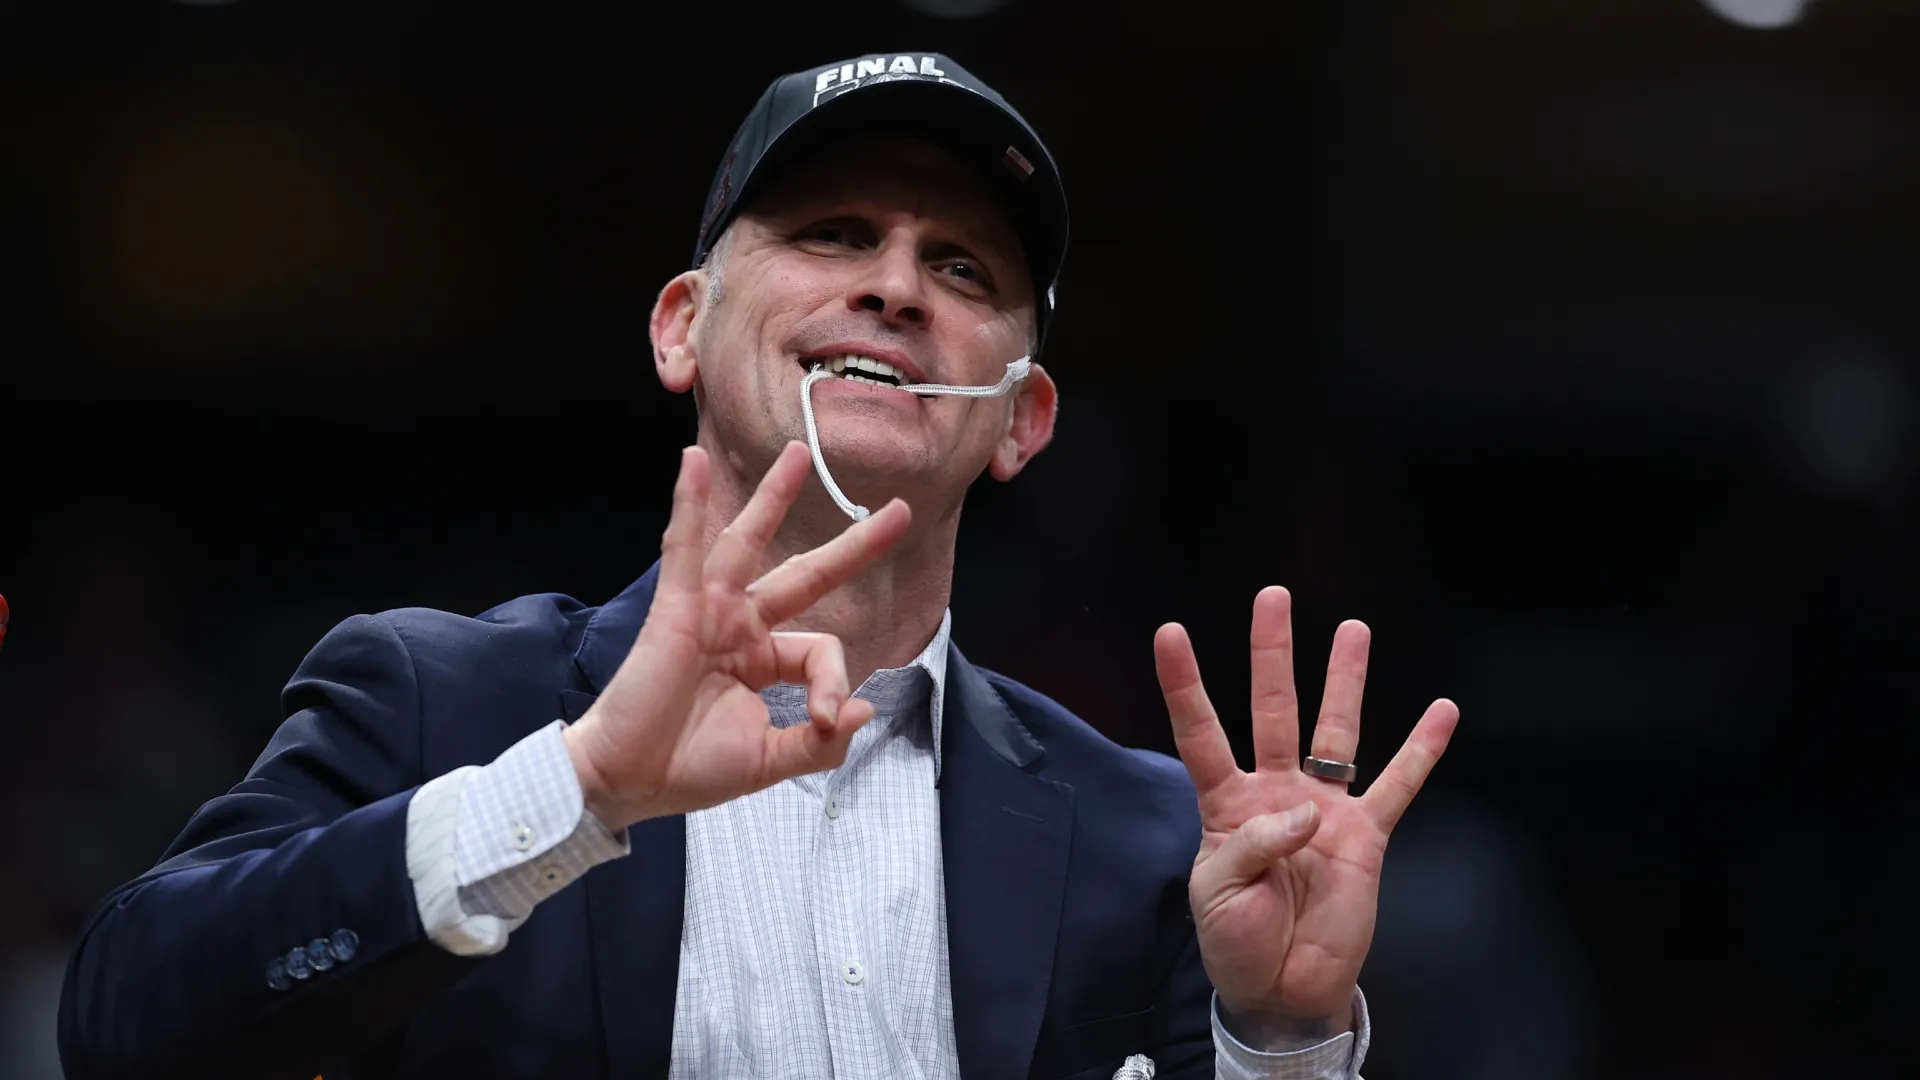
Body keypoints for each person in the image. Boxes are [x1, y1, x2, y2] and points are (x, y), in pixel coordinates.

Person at [56, 53, 1458, 1080]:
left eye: (963, 269)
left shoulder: (1158, 842)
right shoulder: (437, 700)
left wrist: (1280, 1039)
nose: (895, 284)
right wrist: (576, 791)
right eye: (833, 234)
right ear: (681, 328)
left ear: (1023, 420)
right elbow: (123, 1024)